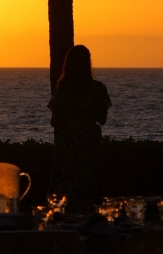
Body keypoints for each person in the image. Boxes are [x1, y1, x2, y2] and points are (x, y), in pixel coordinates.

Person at [48, 45, 111, 214]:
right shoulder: (98, 89)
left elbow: (54, 121)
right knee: (87, 187)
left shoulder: (62, 89)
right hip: (88, 144)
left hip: (66, 145)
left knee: (64, 188)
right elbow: (102, 119)